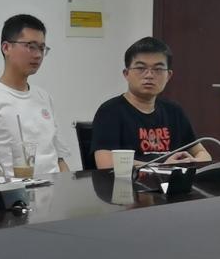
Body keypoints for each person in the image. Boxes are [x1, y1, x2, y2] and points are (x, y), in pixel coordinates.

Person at [0, 14, 71, 176]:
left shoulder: (44, 97)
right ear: (6, 48)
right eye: (31, 46)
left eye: (42, 48)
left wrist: (67, 185)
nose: (38, 55)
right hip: (13, 189)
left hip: (54, 186)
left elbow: (59, 157)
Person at [90, 36, 211, 168]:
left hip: (173, 181)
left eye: (158, 69)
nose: (149, 75)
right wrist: (163, 166)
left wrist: (190, 161)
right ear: (126, 74)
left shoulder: (174, 111)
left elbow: (203, 154)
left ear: (168, 75)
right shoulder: (110, 111)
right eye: (141, 68)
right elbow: (106, 163)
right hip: (130, 181)